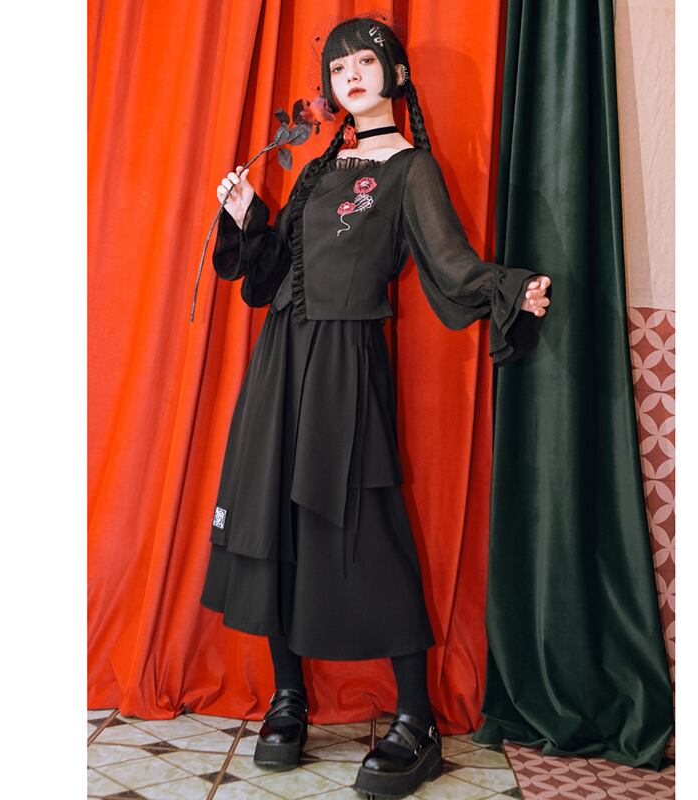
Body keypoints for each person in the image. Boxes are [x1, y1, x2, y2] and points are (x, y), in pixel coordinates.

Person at [199, 16, 552, 798]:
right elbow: (271, 276)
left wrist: (509, 289)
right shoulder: (317, 169)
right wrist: (250, 212)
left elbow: (451, 263)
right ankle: (288, 697)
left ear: (394, 76)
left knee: (368, 525)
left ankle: (417, 717)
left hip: (347, 362)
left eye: (366, 61)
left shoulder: (411, 169)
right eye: (339, 67)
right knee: (274, 518)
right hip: (280, 360)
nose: (351, 74)